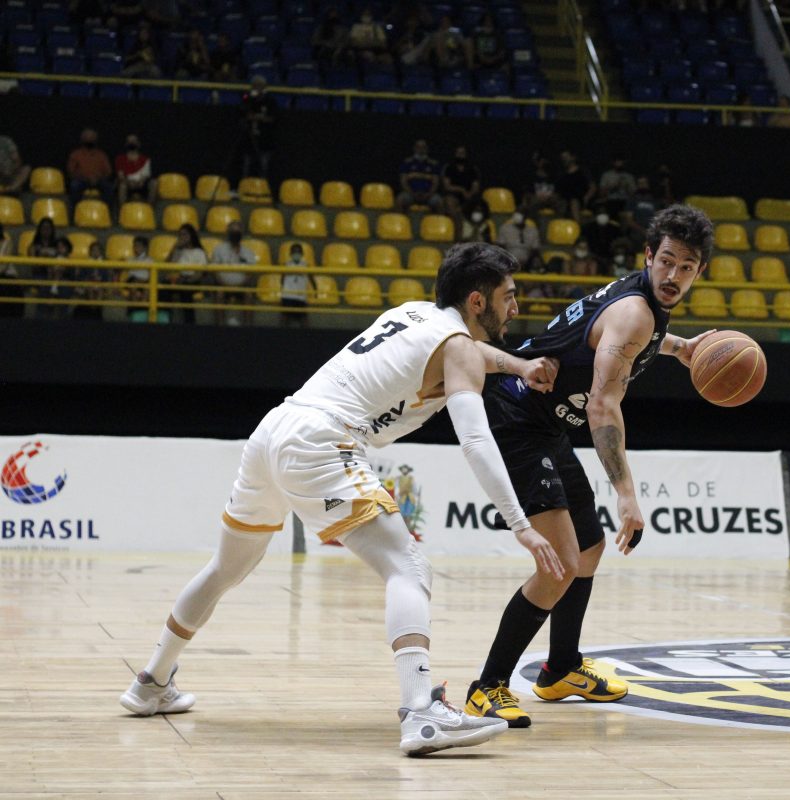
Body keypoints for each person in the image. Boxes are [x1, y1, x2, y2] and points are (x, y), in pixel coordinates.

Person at [119, 243, 565, 757]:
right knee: (408, 567)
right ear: (477, 301)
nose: (516, 307)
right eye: (508, 296)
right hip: (323, 440)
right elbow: (477, 442)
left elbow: (473, 354)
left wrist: (518, 366)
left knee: (225, 568)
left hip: (275, 429)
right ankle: (421, 714)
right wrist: (520, 524)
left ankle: (150, 683)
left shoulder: (413, 314)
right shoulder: (459, 348)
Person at [463, 205, 717, 728]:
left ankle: (561, 668)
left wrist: (679, 348)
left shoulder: (643, 307)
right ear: (648, 256)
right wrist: (626, 494)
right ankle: (486, 687)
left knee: (588, 548)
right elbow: (602, 406)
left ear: (699, 271)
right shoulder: (636, 312)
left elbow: (621, 342)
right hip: (516, 418)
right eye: (666, 261)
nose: (673, 275)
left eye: (686, 267)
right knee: (558, 563)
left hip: (546, 424)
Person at [209, 221, 258, 326]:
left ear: (242, 234)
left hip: (242, 286)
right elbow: (215, 271)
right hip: (223, 285)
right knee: (219, 293)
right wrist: (224, 284)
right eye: (233, 232)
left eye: (237, 232)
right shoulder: (219, 249)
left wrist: (240, 285)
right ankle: (220, 328)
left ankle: (248, 327)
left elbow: (250, 274)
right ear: (228, 233)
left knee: (249, 295)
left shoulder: (248, 252)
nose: (235, 234)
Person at [165, 223, 207, 324]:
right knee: (163, 288)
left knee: (186, 290)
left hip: (192, 280)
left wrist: (186, 280)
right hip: (178, 279)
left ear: (191, 236)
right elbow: (167, 265)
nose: (182, 237)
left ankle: (190, 323)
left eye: (185, 234)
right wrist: (174, 248)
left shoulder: (199, 252)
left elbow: (199, 273)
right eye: (180, 235)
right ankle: (165, 319)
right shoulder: (178, 252)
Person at [238, 76, 278, 181]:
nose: (256, 88)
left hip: (265, 139)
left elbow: (273, 118)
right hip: (249, 138)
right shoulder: (247, 98)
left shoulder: (270, 100)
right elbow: (243, 113)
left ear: (264, 87)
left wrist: (258, 118)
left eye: (259, 86)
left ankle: (263, 185)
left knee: (264, 165)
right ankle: (244, 184)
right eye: (254, 86)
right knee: (246, 164)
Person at [67, 128, 116, 212]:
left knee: (109, 188)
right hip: (81, 180)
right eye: (87, 137)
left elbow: (108, 172)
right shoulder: (75, 154)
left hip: (98, 181)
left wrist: (98, 178)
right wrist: (85, 178)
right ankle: (74, 213)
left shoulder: (101, 155)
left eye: (92, 138)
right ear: (82, 139)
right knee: (74, 186)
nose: (89, 140)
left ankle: (107, 213)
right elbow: (71, 171)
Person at [397, 139, 443, 212]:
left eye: (423, 147)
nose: (421, 150)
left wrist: (428, 194)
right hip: (410, 194)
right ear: (414, 148)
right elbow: (403, 182)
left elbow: (435, 183)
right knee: (400, 199)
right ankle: (401, 219)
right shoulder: (407, 163)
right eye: (418, 147)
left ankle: (438, 219)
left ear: (427, 149)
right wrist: (412, 193)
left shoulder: (433, 164)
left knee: (439, 201)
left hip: (429, 195)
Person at [279, 241, 315, 327]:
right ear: (290, 253)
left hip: (301, 296)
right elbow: (282, 280)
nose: (296, 254)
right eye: (294, 252)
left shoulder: (306, 265)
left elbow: (312, 279)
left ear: (302, 253)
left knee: (304, 319)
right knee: (284, 318)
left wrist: (315, 290)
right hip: (288, 295)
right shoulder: (286, 265)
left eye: (298, 252)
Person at [115, 134, 157, 206]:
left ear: (138, 144)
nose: (132, 143)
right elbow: (120, 176)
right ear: (126, 144)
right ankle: (122, 209)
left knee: (153, 183)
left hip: (142, 184)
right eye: (129, 141)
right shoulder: (120, 159)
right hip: (127, 184)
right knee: (122, 186)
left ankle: (150, 208)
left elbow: (146, 175)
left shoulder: (145, 159)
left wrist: (141, 182)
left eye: (134, 141)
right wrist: (129, 182)